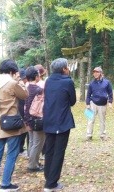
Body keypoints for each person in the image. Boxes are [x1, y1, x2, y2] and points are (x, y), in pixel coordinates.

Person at [0, 59, 28, 192]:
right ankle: (5, 183)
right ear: (12, 71)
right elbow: (25, 95)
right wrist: (20, 81)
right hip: (11, 123)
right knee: (11, 154)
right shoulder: (11, 83)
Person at [42, 58, 76, 192]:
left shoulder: (48, 80)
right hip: (62, 120)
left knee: (49, 149)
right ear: (64, 69)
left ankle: (48, 176)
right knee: (58, 151)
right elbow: (72, 101)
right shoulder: (67, 82)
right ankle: (51, 183)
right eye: (67, 67)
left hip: (49, 118)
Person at [24, 66, 46, 172]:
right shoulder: (39, 90)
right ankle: (32, 165)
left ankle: (34, 162)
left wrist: (26, 120)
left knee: (32, 142)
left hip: (27, 119)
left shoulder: (25, 88)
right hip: (37, 119)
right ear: (36, 77)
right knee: (37, 143)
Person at [85, 66, 113, 141]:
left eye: (97, 72)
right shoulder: (91, 83)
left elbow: (110, 93)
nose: (95, 73)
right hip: (93, 103)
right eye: (94, 72)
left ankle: (102, 135)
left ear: (101, 73)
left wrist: (110, 102)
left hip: (103, 104)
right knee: (90, 119)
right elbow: (88, 95)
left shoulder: (107, 82)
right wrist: (87, 104)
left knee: (102, 120)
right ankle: (89, 135)